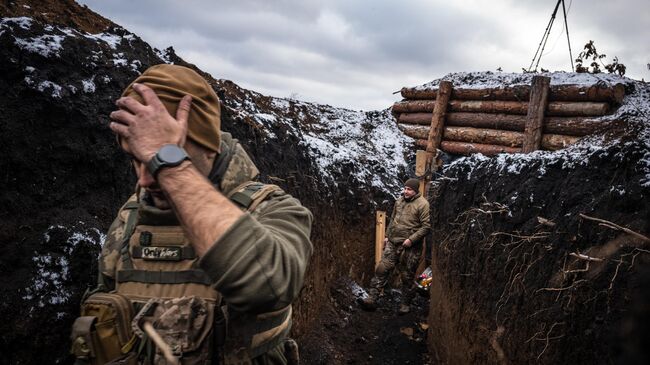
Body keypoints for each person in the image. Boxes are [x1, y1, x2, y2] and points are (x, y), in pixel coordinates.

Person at [71, 64, 313, 365]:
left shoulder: (275, 209)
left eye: (167, 154)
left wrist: (169, 164)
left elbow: (269, 285)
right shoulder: (129, 219)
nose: (146, 179)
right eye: (138, 159)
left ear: (209, 148)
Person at [359, 178, 430, 314]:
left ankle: (405, 304)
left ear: (415, 190)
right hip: (393, 242)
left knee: (406, 276)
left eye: (409, 189)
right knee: (382, 269)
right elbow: (392, 220)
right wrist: (387, 236)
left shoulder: (423, 204)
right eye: (405, 188)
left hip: (410, 247)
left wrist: (411, 240)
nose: (405, 191)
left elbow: (426, 226)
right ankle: (372, 298)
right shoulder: (399, 201)